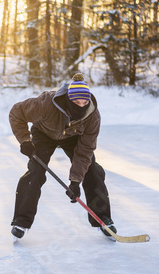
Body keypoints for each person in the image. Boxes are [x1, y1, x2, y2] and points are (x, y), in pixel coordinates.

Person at [9, 73, 117, 239]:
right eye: (76, 102)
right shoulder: (46, 103)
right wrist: (24, 141)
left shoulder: (92, 116)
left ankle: (102, 219)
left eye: (84, 102)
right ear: (68, 99)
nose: (81, 106)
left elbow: (85, 150)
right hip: (44, 133)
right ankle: (21, 221)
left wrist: (75, 181)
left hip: (73, 137)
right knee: (36, 171)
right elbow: (17, 112)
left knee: (93, 171)